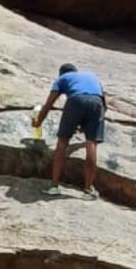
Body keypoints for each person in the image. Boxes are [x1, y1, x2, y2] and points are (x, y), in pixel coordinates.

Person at [33, 63, 107, 197]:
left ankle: (54, 186)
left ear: (61, 73)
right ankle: (88, 190)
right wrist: (88, 124)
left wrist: (38, 122)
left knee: (62, 142)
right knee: (91, 143)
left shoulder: (62, 78)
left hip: (75, 101)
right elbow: (103, 101)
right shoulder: (92, 76)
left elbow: (48, 104)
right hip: (97, 102)